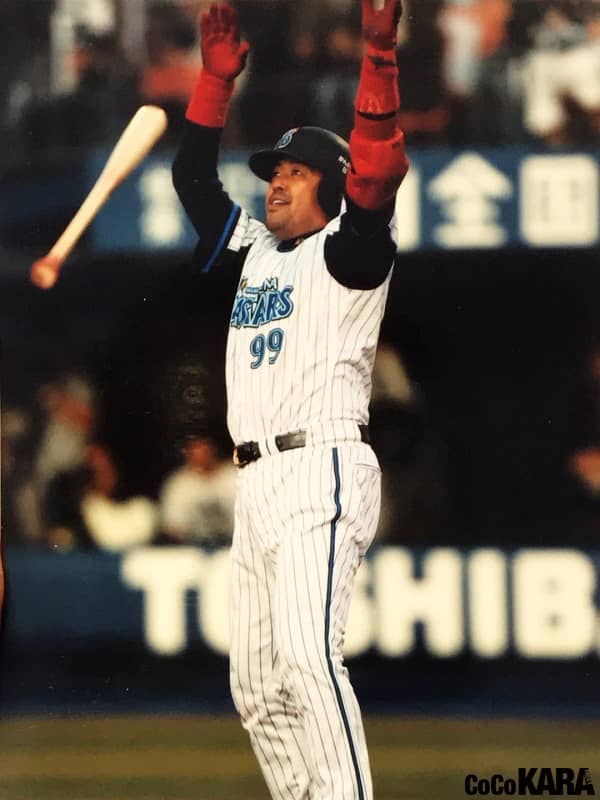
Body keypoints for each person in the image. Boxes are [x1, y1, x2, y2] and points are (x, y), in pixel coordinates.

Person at [172, 1, 409, 798]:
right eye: (274, 172)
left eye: (295, 172)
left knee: (309, 659)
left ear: (332, 187)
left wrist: (380, 54)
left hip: (321, 463)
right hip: (257, 481)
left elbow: (377, 168)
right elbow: (191, 180)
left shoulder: (351, 252)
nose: (275, 182)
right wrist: (214, 83)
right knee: (256, 687)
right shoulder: (254, 251)